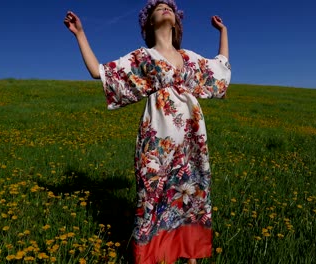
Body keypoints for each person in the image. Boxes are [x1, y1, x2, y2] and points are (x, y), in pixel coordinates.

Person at [64, 0, 231, 263]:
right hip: (157, 137)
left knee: (193, 191)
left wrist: (223, 32)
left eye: (171, 8)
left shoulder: (189, 58)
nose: (167, 8)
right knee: (152, 192)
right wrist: (80, 34)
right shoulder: (143, 57)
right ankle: (154, 256)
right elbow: (100, 72)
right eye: (159, 7)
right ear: (149, 21)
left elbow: (220, 69)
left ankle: (191, 255)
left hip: (192, 138)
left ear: (176, 21)